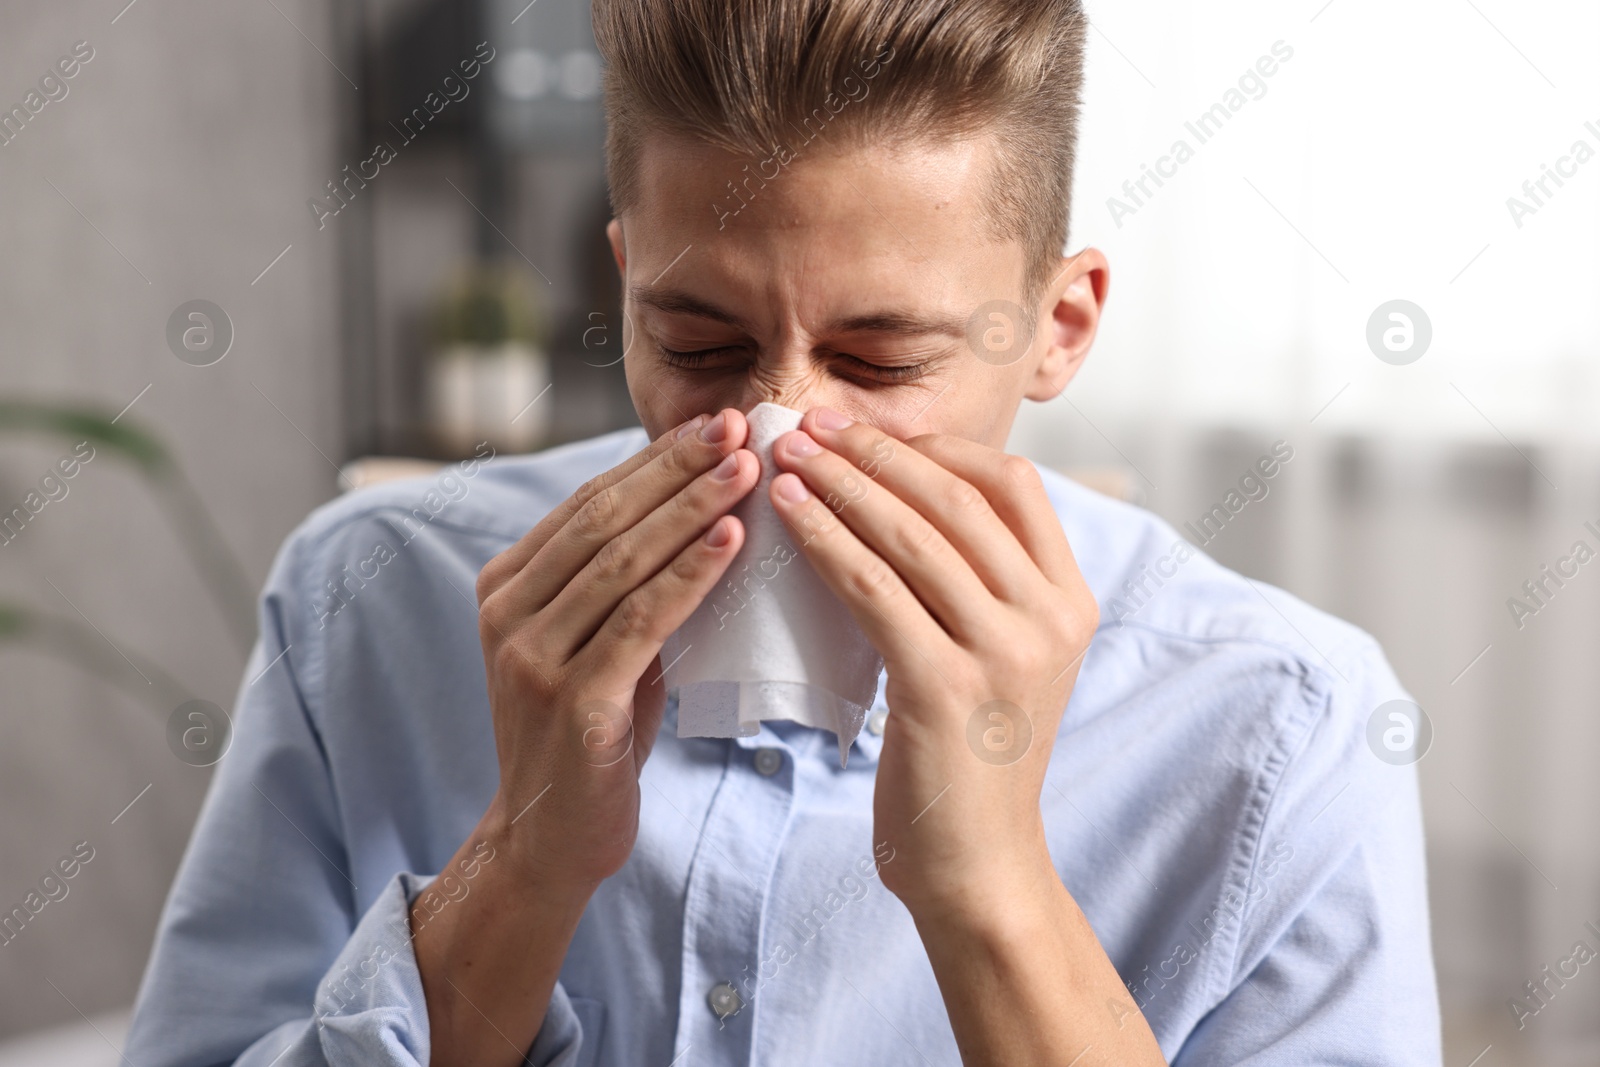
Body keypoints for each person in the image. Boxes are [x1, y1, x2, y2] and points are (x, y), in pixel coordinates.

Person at [124, 0, 1441, 1063]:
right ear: (625, 283)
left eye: (880, 361)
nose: (774, 436)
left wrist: (991, 894)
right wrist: (519, 866)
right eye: (700, 343)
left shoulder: (1290, 728)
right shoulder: (365, 601)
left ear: (1061, 326)